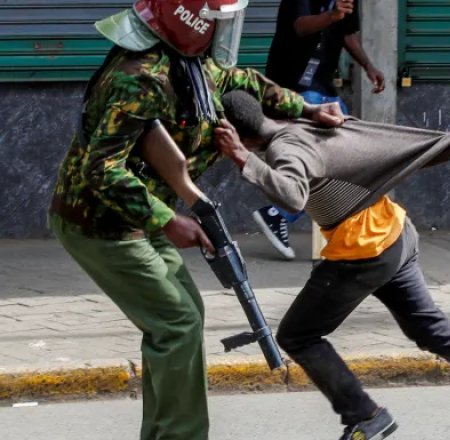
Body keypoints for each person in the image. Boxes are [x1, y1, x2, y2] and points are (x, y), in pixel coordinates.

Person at [47, 1, 341, 438]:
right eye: (218, 19)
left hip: (140, 216)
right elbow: (102, 170)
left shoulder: (191, 64)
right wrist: (169, 220)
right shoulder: (140, 79)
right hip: (98, 222)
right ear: (190, 20)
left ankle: (164, 431)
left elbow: (247, 82)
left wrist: (307, 110)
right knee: (176, 323)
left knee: (186, 315)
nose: (224, 29)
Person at [213, 90, 450, 440]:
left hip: (363, 249)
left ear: (236, 135)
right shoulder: (305, 123)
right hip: (395, 232)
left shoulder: (284, 150)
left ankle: (366, 416)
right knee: (429, 327)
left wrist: (243, 159)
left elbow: (292, 196)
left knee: (297, 335)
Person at [253, 0, 386, 260]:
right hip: (293, 89)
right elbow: (300, 27)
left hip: (324, 88)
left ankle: (337, 228)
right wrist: (331, 16)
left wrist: (368, 66)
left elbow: (349, 35)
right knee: (316, 161)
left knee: (349, 154)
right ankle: (278, 214)